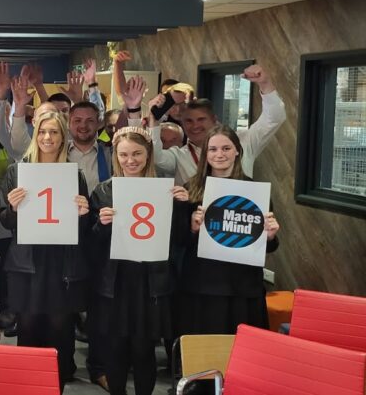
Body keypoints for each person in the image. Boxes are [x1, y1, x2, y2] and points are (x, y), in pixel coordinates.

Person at [88, 127, 190, 395]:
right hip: (115, 282)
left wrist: (182, 209)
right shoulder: (103, 191)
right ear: (115, 156)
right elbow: (91, 244)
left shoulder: (166, 191)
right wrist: (102, 224)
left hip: (150, 282)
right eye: (123, 155)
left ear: (148, 155)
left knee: (144, 349)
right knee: (116, 349)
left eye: (136, 154)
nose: (130, 160)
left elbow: (179, 240)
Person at [0, 110, 91, 390]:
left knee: (61, 332)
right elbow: (5, 221)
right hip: (27, 263)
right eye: (42, 131)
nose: (47, 137)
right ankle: (28, 387)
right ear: (35, 135)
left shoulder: (75, 175)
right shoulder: (17, 171)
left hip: (63, 264)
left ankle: (56, 386)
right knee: (28, 329)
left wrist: (85, 214)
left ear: (64, 137)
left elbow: (84, 230)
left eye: (54, 132)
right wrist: (13, 208)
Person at [178, 125, 281, 336]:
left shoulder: (254, 191)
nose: (219, 154)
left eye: (226, 148)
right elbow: (178, 242)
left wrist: (270, 236)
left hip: (243, 286)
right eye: (213, 149)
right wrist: (192, 229)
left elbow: (266, 246)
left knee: (242, 353)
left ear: (237, 151)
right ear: (206, 154)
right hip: (202, 284)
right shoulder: (190, 190)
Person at [149, 64, 285, 185]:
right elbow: (155, 157)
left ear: (214, 119)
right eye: (189, 121)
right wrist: (154, 118)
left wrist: (265, 84)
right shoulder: (178, 156)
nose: (195, 126)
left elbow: (273, 118)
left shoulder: (244, 142)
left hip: (237, 212)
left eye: (201, 119)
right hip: (196, 213)